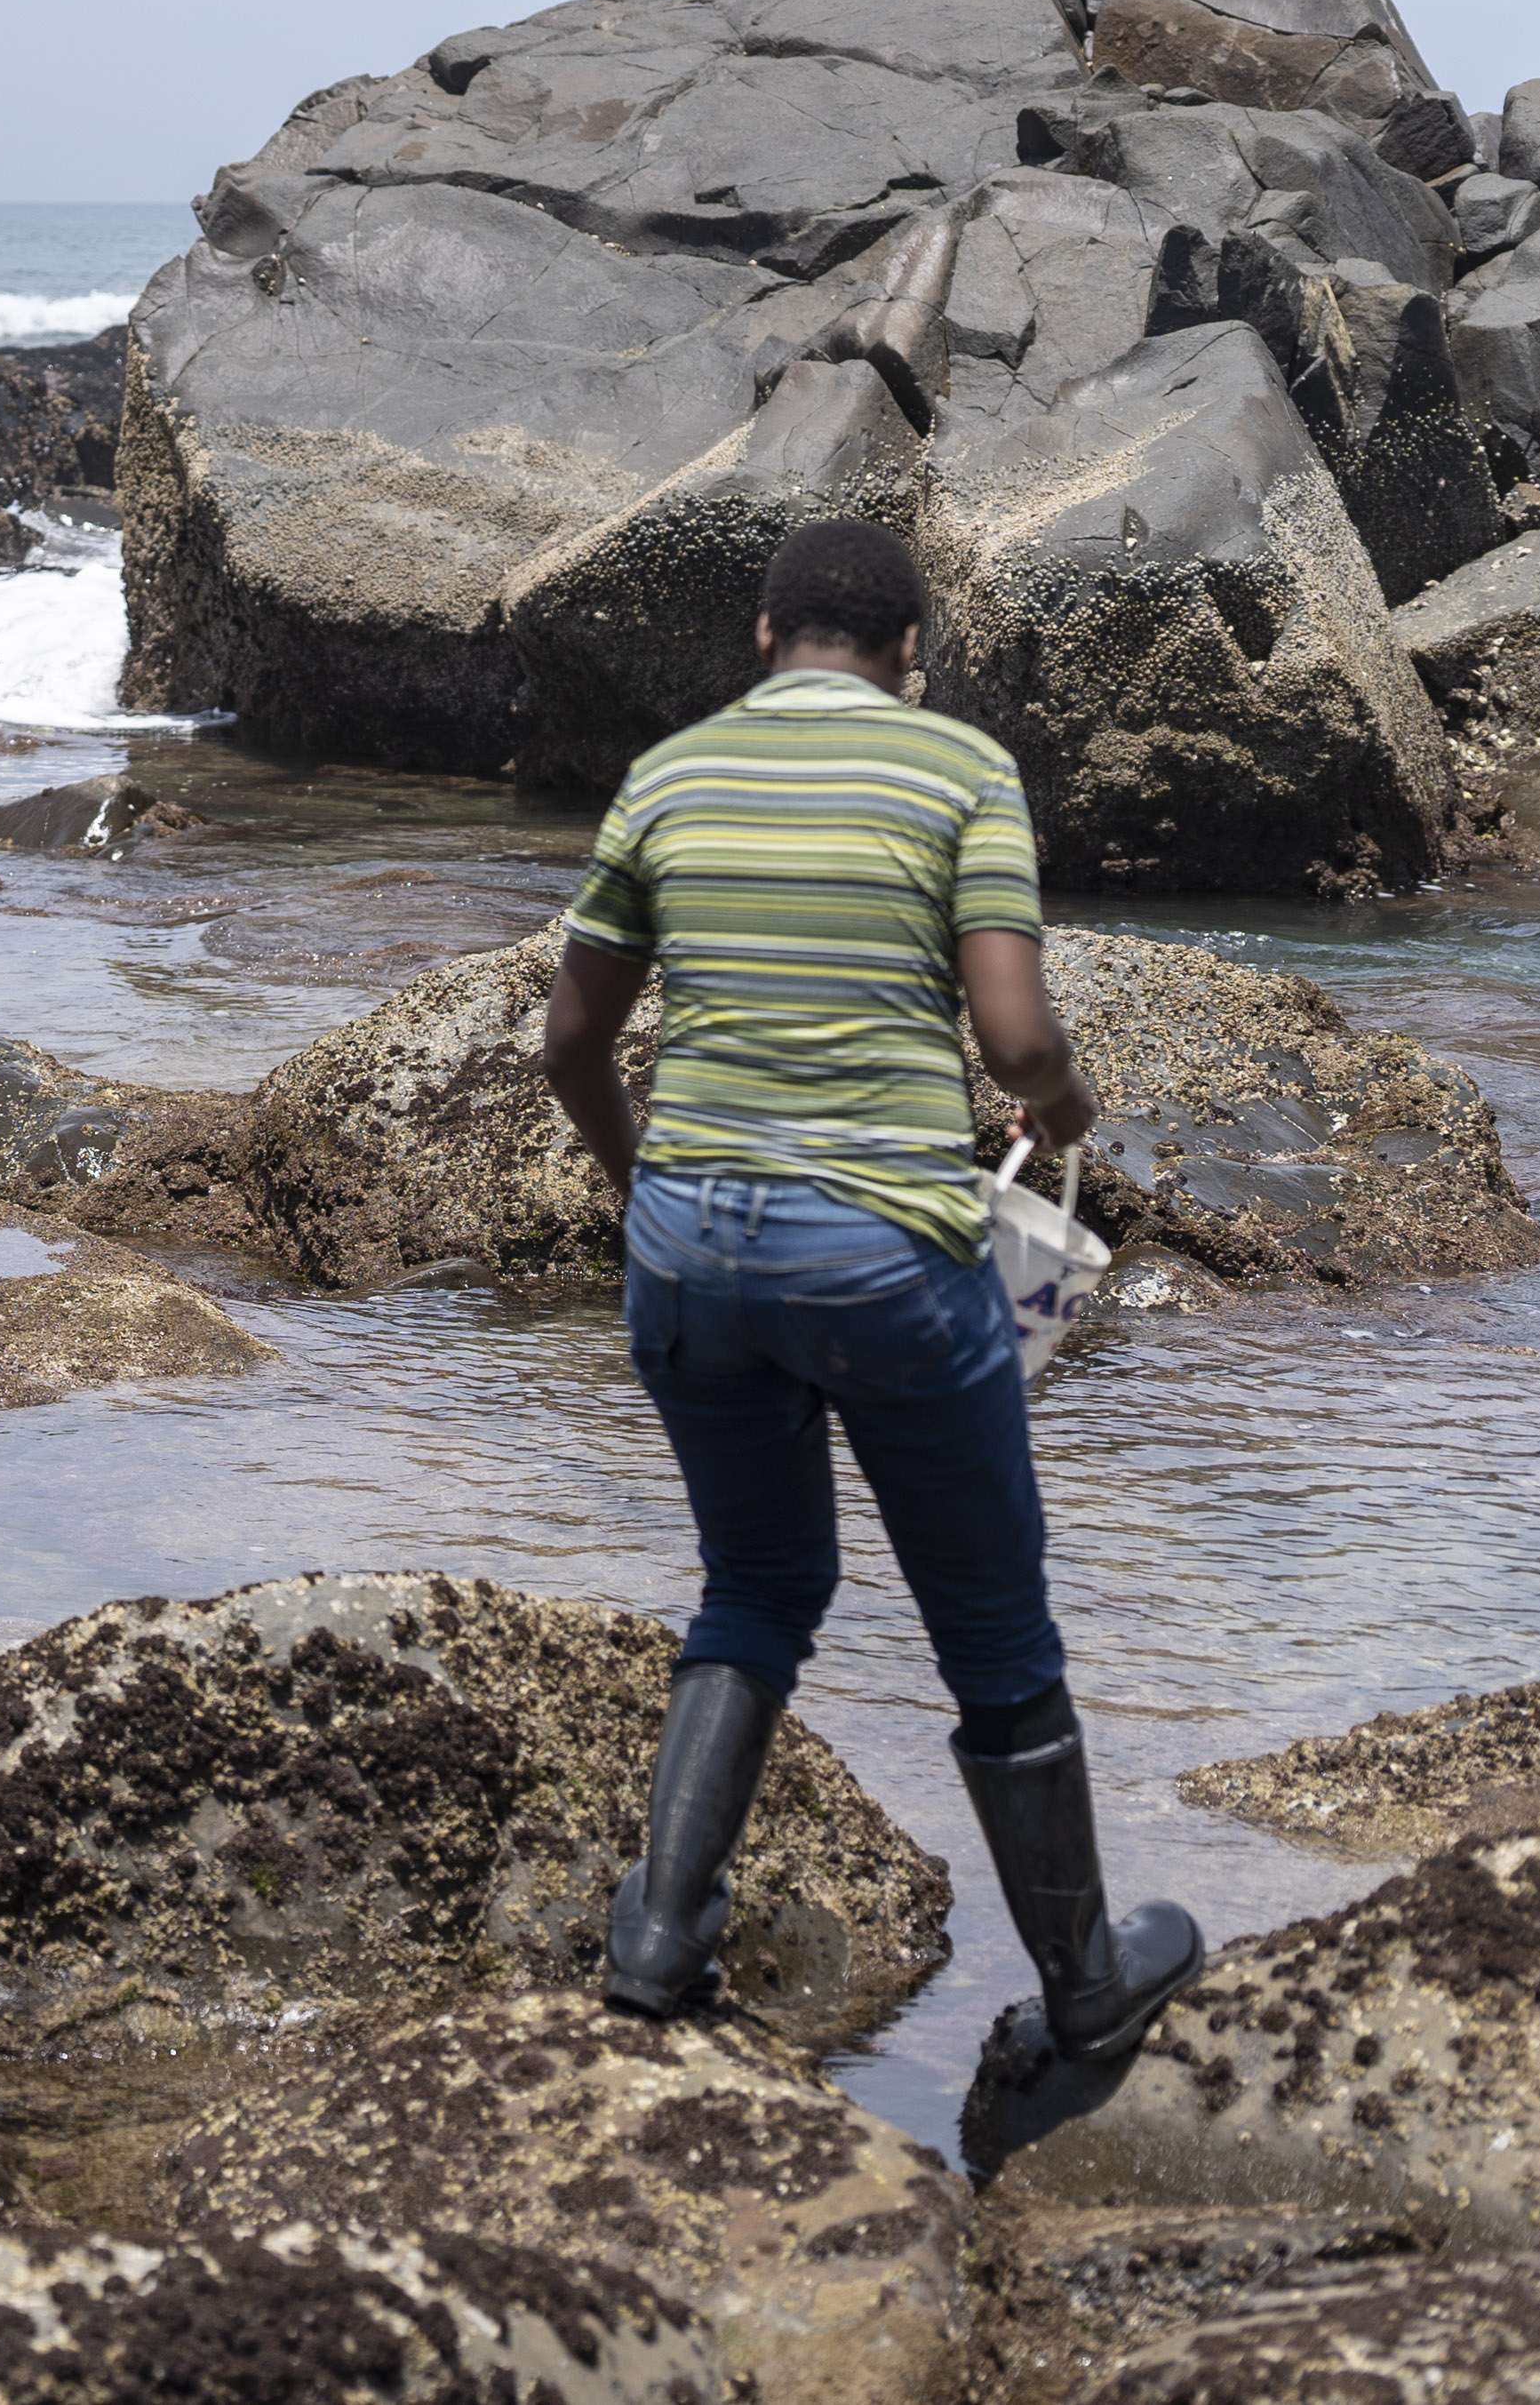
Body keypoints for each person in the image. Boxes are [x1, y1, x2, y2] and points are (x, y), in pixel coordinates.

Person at [537, 515, 1202, 2073]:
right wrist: (1070, 1109)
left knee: (756, 1586)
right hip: (883, 1256)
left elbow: (566, 1043)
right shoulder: (954, 767)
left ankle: (654, 1938)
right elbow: (1016, 1038)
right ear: (910, 655)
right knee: (989, 1624)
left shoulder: (668, 773)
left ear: (763, 640)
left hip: (687, 1257)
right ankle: (1083, 1980)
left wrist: (647, 1188)